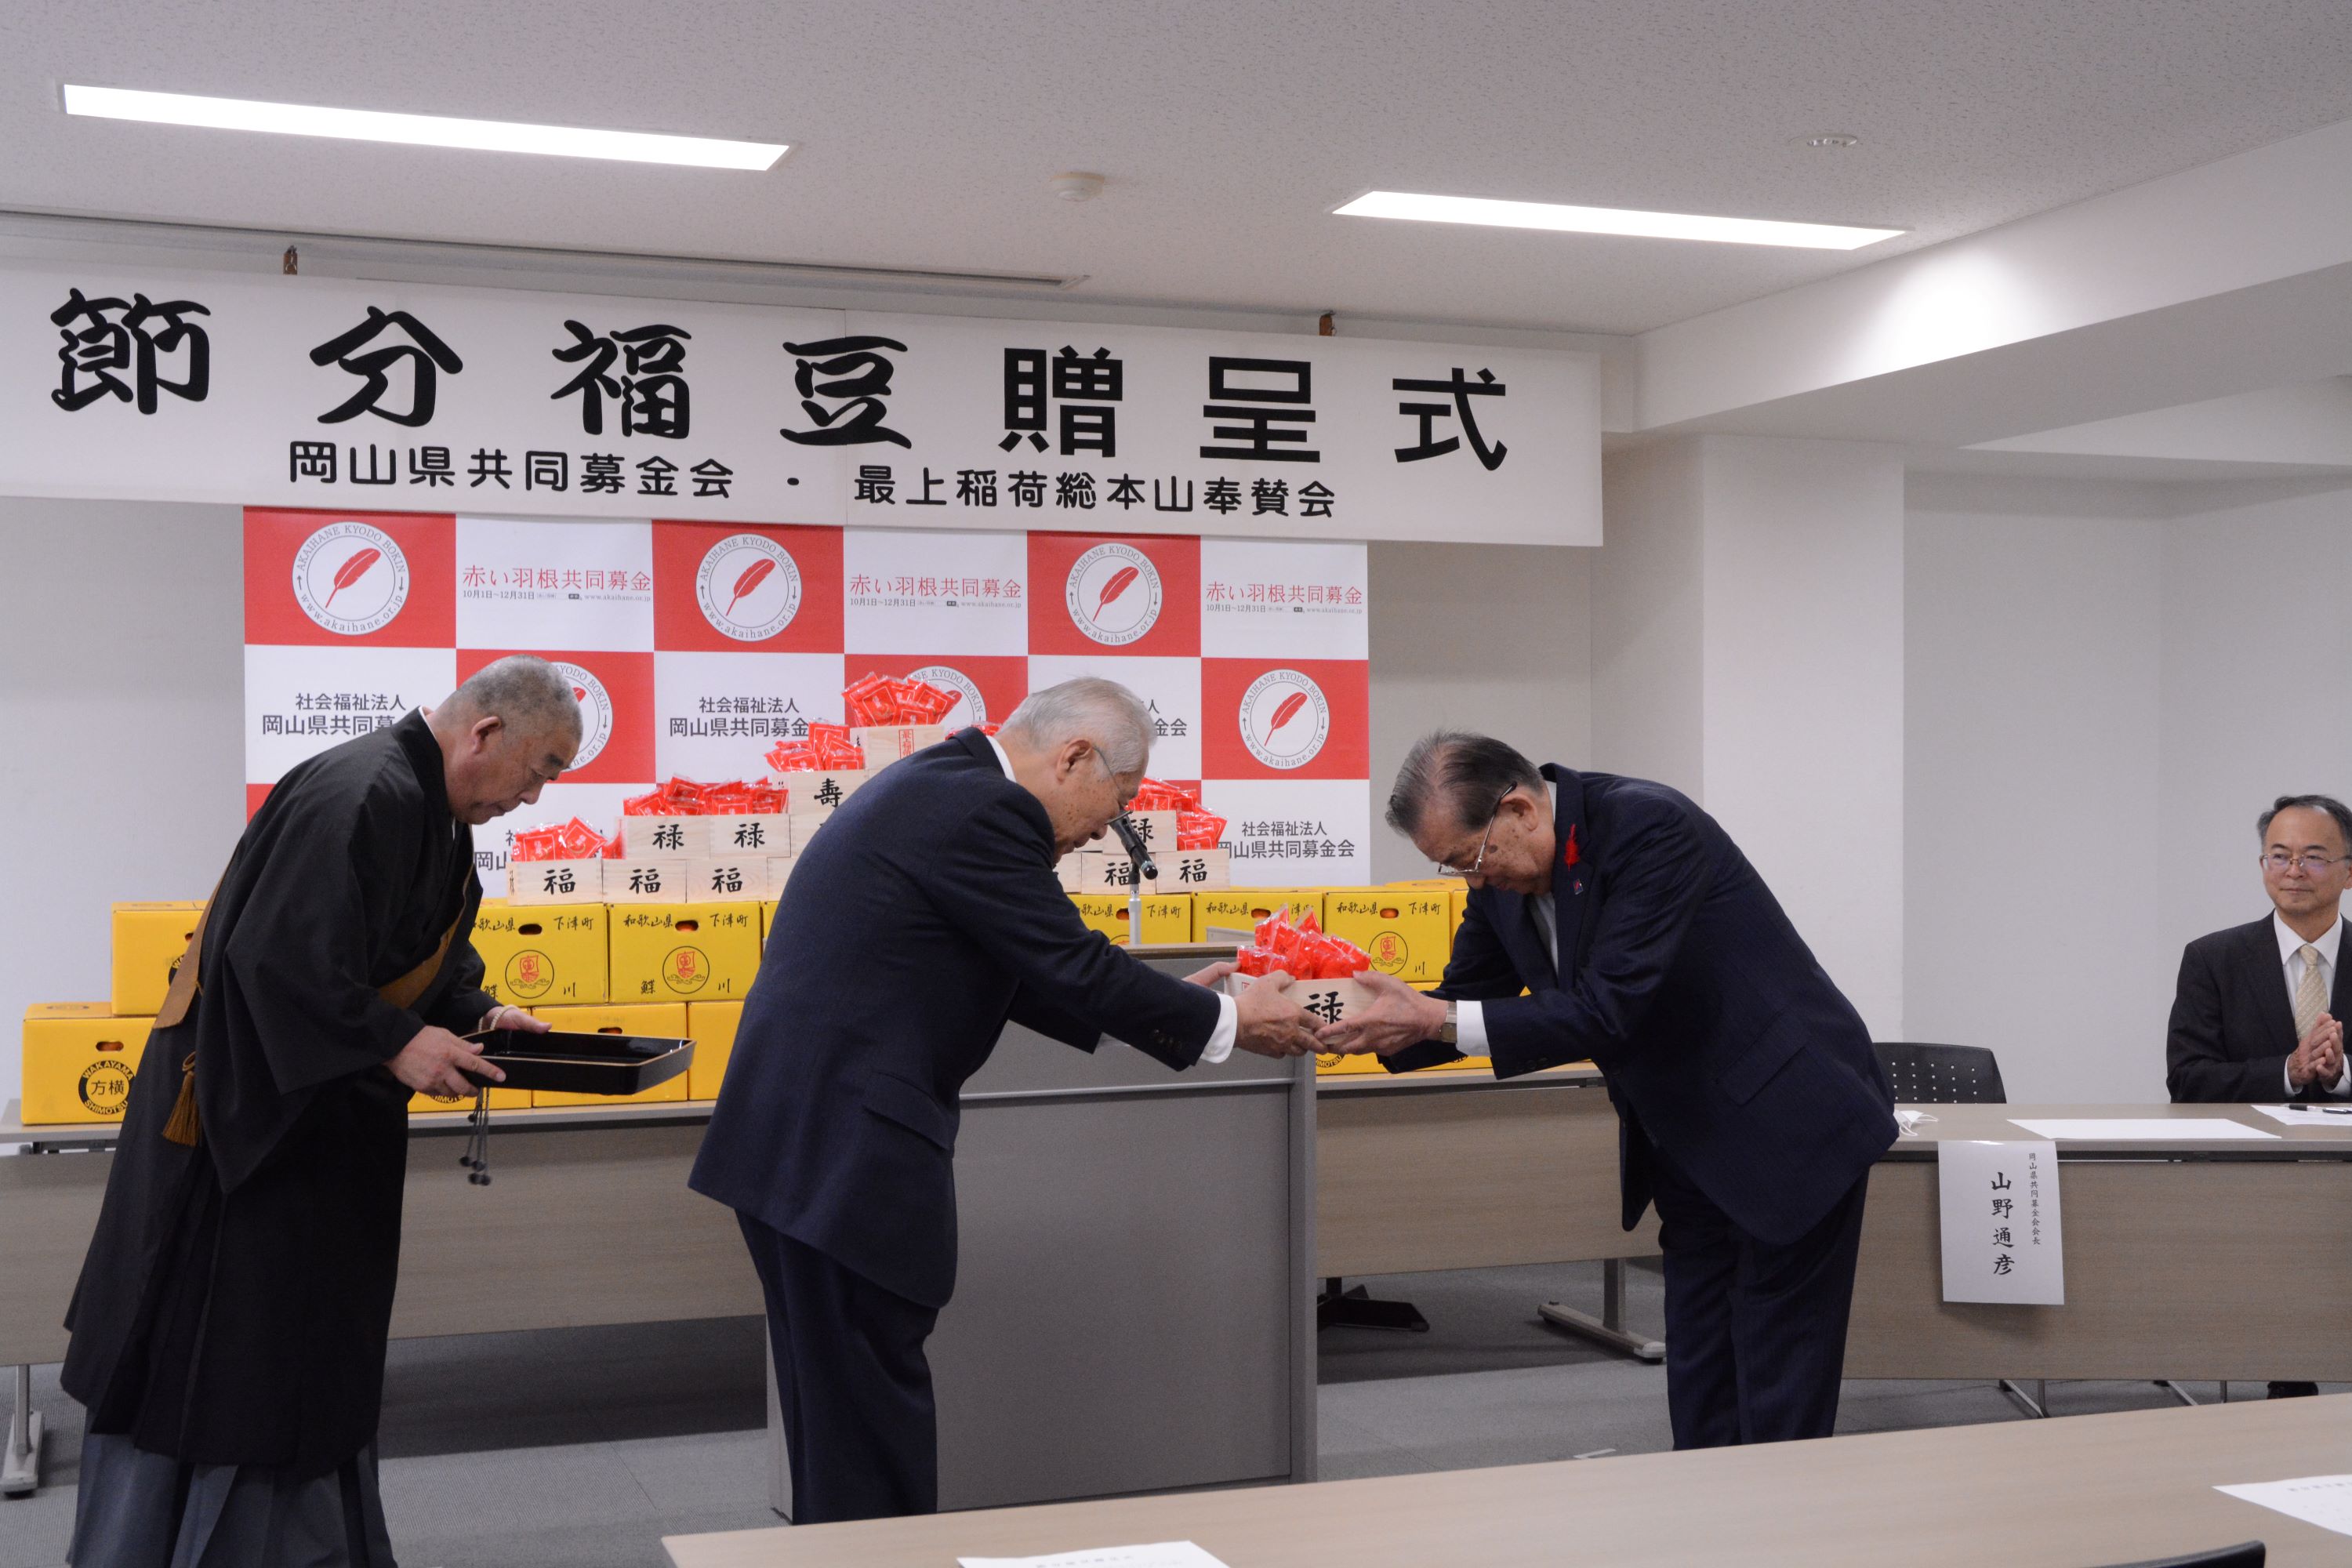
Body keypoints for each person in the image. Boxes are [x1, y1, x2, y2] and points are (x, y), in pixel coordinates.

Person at [689, 677, 1318, 1523]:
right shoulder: (986, 810)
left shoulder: (942, 784)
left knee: (839, 1407)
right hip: (841, 1148)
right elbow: (1069, 958)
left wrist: (1170, 1003)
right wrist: (1228, 1019)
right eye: (1118, 801)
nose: (1107, 827)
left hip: (798, 1140)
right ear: (1074, 757)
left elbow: (1001, 957)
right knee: (870, 1413)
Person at [60, 656, 582, 1566]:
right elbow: (272, 959)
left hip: (322, 1132)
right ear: (487, 733)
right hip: (240, 1137)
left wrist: (478, 1011)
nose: (534, 797)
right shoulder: (361, 791)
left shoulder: (435, 816)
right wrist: (394, 1041)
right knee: (228, 1372)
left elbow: (425, 958)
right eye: (541, 769)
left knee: (309, 1363)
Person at [1316, 731, 1896, 1450]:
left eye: (1471, 857)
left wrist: (1432, 1017)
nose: (1472, 879)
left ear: (1522, 809)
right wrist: (1354, 1027)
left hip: (1787, 1121)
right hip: (1685, 1135)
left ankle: (1780, 1536)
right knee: (1700, 1354)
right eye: (1452, 867)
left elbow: (1607, 1009)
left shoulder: (1648, 827)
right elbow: (1467, 999)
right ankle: (1707, 1511)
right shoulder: (1502, 886)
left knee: (1780, 1362)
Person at [2165, 792, 2352, 1399]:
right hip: (2254, 1171)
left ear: (2350, 870)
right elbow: (2188, 1078)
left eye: (2314, 857)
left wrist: (2341, 1071)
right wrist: (2291, 1072)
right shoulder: (2213, 959)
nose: (2293, 870)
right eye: (2279, 855)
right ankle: (2287, 1389)